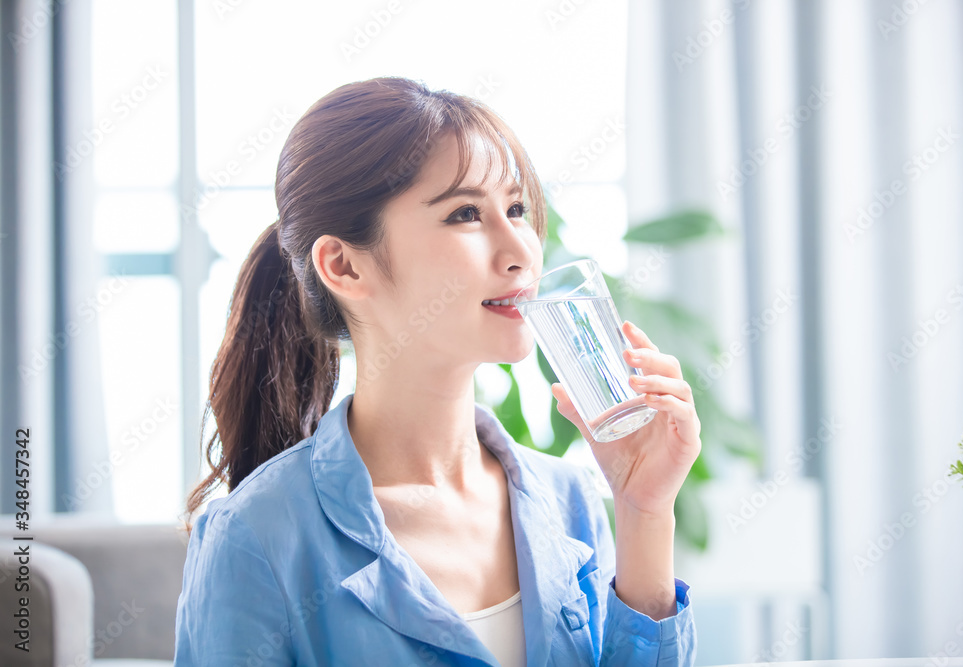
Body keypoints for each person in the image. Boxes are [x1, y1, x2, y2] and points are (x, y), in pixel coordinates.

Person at [174, 76, 701, 666]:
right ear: (345, 266)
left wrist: (644, 514)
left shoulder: (571, 501)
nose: (522, 250)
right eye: (467, 213)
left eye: (518, 208)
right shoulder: (256, 536)